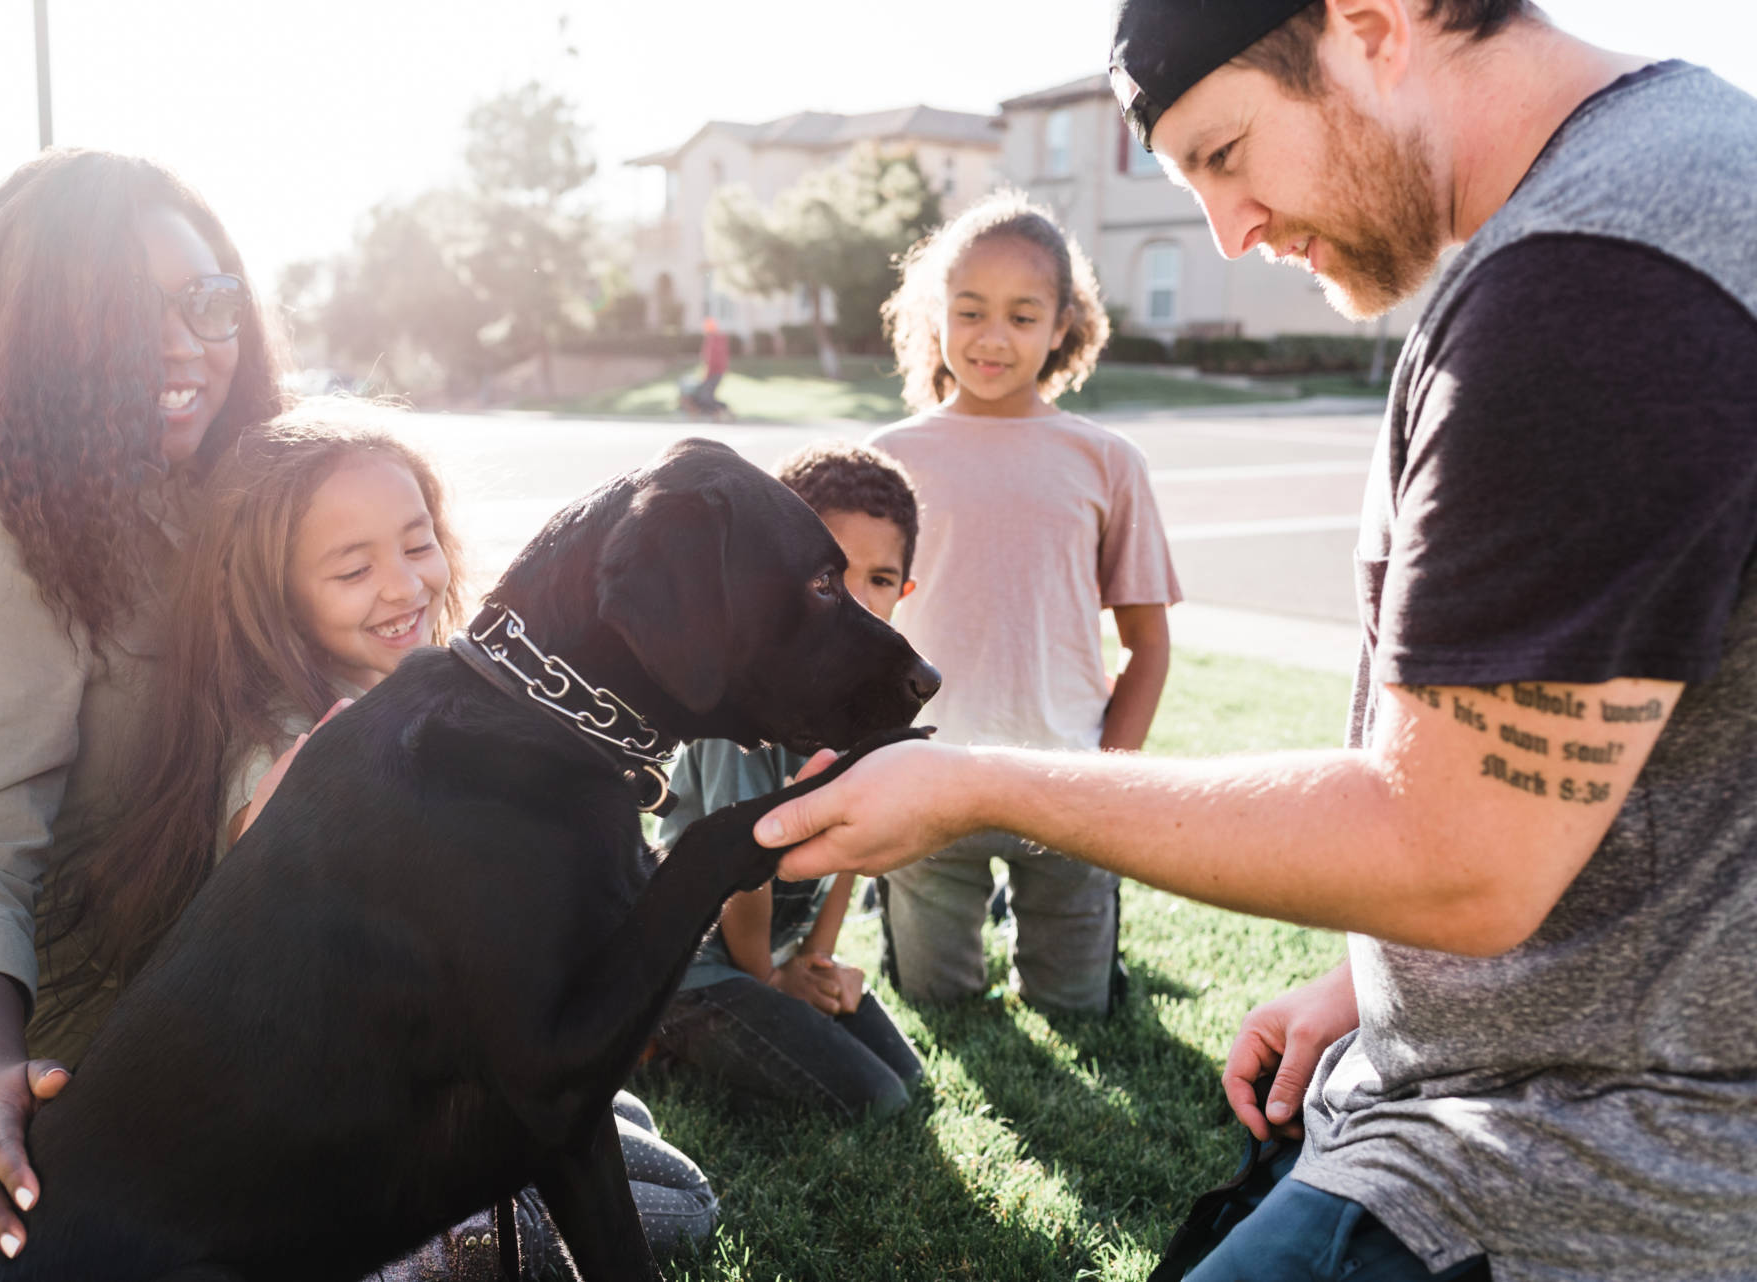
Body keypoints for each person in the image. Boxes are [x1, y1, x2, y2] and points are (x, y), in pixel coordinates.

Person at [753, 2, 1757, 1279]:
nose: (1229, 231)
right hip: (1524, 1084)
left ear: (1374, 24)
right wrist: (1374, 990)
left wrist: (973, 782)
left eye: (1226, 154)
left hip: (1574, 1163)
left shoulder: (1594, 287)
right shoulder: (1685, 176)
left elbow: (1458, 856)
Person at [51, 399, 719, 1268]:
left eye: (416, 543)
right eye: (352, 569)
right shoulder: (300, 743)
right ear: (278, 594)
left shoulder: (421, 701)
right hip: (337, 1146)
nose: (404, 586)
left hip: (435, 1069)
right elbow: (278, 851)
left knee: (619, 1117)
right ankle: (433, 1255)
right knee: (685, 1201)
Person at [0, 149, 287, 1282]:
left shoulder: (212, 490)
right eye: (126, 314)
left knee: (622, 1154)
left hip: (242, 962)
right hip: (107, 1015)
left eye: (206, 300)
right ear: (28, 331)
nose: (186, 344)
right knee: (638, 1201)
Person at [863, 189, 1179, 1016]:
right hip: (926, 777)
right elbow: (851, 633)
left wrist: (1111, 783)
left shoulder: (1107, 460)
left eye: (1021, 315)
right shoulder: (887, 460)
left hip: (1067, 785)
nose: (993, 337)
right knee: (938, 1004)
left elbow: (1148, 646)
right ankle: (903, 911)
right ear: (938, 316)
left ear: (1063, 324)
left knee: (1077, 1009)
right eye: (970, 311)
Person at [652, 441, 925, 1120]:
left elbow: (855, 849)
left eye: (880, 581)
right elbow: (739, 873)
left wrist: (818, 964)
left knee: (908, 1078)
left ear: (904, 591)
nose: (858, 604)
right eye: (831, 580)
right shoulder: (742, 708)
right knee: (875, 1103)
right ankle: (654, 1045)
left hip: (770, 956)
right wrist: (773, 980)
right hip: (689, 966)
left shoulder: (874, 698)